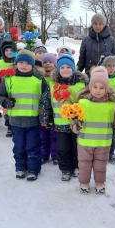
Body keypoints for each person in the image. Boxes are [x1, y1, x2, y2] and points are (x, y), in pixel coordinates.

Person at [73, 67, 115, 194]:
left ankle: (100, 182)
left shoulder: (112, 105)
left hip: (103, 143)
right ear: (90, 87)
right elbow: (75, 120)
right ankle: (84, 183)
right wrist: (75, 126)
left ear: (107, 88)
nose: (98, 90)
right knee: (84, 164)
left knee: (100, 165)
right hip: (85, 142)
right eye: (95, 87)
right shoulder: (82, 103)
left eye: (102, 87)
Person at [0, 50, 52, 181]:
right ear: (16, 64)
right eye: (21, 62)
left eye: (27, 63)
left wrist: (46, 116)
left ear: (32, 65)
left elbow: (46, 99)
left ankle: (33, 169)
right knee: (19, 147)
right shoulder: (9, 79)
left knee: (33, 147)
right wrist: (5, 102)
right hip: (16, 121)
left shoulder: (38, 80)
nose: (24, 65)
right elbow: (0, 95)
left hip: (33, 121)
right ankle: (20, 168)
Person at [49, 53, 88, 181]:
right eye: (62, 67)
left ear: (73, 69)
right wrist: (47, 117)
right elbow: (47, 102)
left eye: (68, 67)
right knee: (62, 148)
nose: (65, 70)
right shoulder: (52, 84)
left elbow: (85, 103)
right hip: (60, 123)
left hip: (76, 123)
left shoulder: (81, 85)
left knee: (76, 147)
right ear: (58, 70)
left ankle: (76, 166)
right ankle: (65, 169)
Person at [39, 53, 58, 165]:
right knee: (43, 134)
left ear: (55, 64)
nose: (47, 64)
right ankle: (44, 155)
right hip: (43, 111)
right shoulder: (40, 78)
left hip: (55, 110)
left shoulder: (57, 78)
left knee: (54, 135)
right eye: (45, 62)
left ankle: (55, 155)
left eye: (50, 62)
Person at [0, 39, 15, 137]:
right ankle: (9, 127)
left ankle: (14, 126)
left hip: (15, 90)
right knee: (6, 109)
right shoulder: (0, 63)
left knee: (15, 109)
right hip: (4, 90)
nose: (9, 52)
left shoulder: (17, 62)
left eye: (11, 50)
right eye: (6, 50)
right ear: (3, 52)